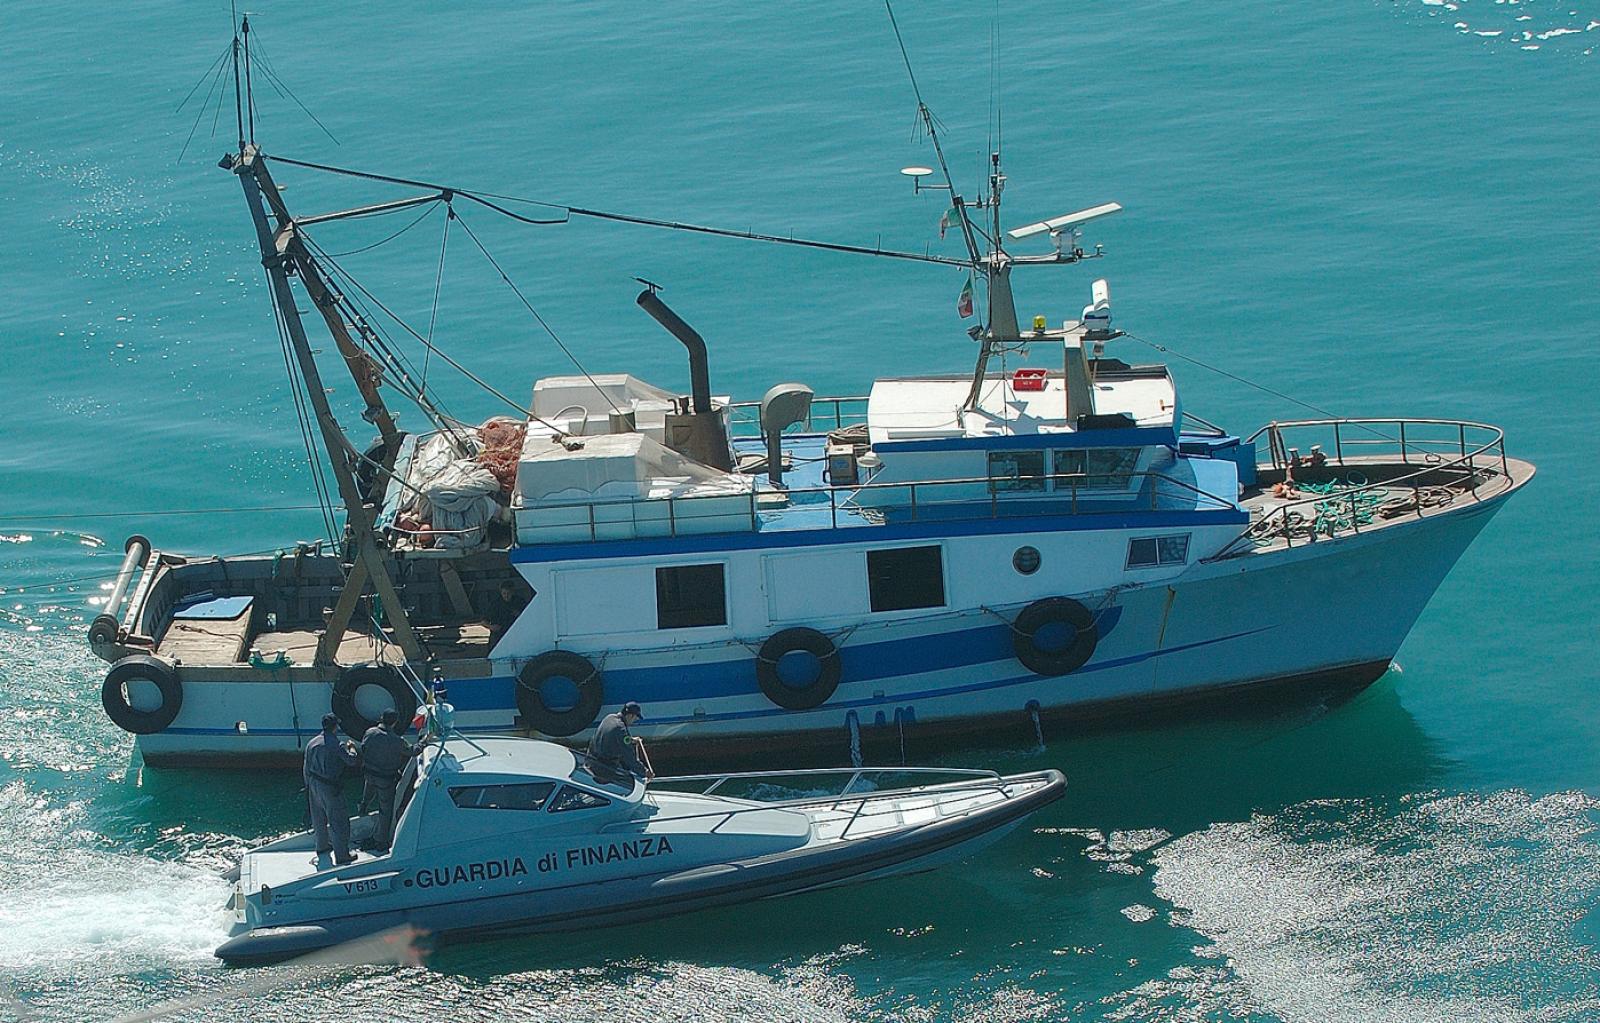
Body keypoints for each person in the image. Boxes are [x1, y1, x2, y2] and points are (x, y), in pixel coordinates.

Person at [358, 709, 421, 853]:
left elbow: (363, 747)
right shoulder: (397, 741)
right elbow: (412, 751)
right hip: (385, 779)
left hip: (369, 774)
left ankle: (362, 809)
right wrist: (423, 743)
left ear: (381, 718)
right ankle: (381, 841)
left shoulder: (370, 732)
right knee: (385, 810)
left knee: (367, 795)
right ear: (394, 722)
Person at [303, 713, 359, 864]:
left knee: (318, 818)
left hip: (314, 784)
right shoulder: (337, 744)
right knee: (338, 820)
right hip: (330, 786)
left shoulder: (312, 743)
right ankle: (342, 855)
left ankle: (321, 846)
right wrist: (352, 748)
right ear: (335, 726)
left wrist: (308, 786)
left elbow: (306, 767)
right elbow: (351, 761)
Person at [587, 701, 651, 782]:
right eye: (635, 718)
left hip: (591, 761)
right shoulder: (621, 730)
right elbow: (630, 758)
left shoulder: (609, 717)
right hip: (604, 768)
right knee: (628, 780)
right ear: (630, 716)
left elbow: (613, 737)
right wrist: (645, 772)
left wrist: (631, 740)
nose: (634, 721)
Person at [484, 580, 527, 645]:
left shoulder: (520, 602)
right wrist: (491, 627)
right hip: (499, 635)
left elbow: (529, 617)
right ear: (501, 593)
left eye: (508, 593)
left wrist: (520, 615)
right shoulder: (495, 604)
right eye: (504, 593)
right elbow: (484, 621)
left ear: (512, 592)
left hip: (515, 633)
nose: (506, 596)